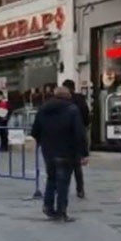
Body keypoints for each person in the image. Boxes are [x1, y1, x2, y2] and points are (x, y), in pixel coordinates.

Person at [31, 86, 88, 222]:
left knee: (51, 179)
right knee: (63, 182)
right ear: (68, 95)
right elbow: (79, 133)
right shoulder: (72, 109)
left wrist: (43, 141)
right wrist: (83, 153)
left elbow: (34, 131)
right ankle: (61, 212)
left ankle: (48, 206)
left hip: (48, 151)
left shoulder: (43, 109)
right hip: (66, 151)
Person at [62, 79, 91, 198]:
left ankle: (65, 188)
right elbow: (86, 114)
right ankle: (80, 189)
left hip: (65, 134)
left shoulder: (65, 100)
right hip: (77, 131)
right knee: (76, 165)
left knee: (68, 165)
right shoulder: (80, 99)